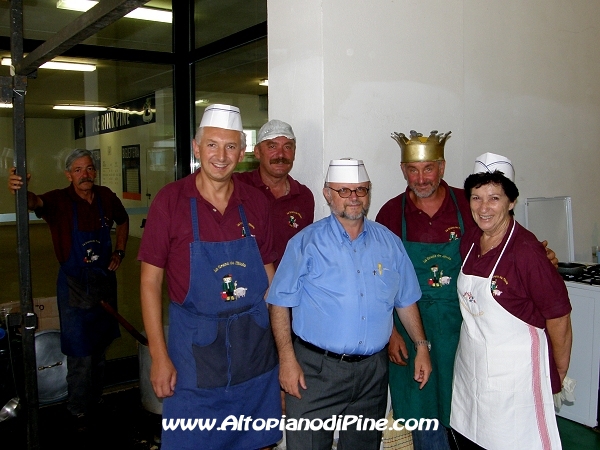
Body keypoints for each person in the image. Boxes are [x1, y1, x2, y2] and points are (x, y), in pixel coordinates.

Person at [376, 131, 558, 450]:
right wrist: (391, 332)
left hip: (462, 331)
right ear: (403, 170)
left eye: (429, 168)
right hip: (409, 329)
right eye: (413, 169)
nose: (421, 177)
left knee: (466, 412)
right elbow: (380, 280)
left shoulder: (469, 202)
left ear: (443, 167)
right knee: (422, 414)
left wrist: (542, 254)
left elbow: (504, 237)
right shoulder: (391, 212)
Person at [138, 104, 282, 450]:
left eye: (231, 146)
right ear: (196, 147)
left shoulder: (255, 204)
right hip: (194, 354)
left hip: (254, 351)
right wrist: (159, 356)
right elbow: (149, 283)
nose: (221, 155)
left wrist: (284, 353)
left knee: (255, 442)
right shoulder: (170, 202)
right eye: (213, 145)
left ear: (243, 153)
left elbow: (271, 281)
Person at [267, 158, 431, 450]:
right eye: (343, 190)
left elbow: (405, 301)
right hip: (315, 372)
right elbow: (279, 304)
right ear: (327, 194)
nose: (353, 197)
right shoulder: (306, 244)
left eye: (361, 190)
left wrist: (421, 347)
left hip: (372, 374)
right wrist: (287, 360)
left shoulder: (389, 243)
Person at [450, 153, 572, 449]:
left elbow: (559, 318)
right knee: (470, 438)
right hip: (472, 367)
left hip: (515, 378)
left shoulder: (527, 252)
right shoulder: (469, 241)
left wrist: (557, 373)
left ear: (511, 202)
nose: (484, 207)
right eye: (476, 198)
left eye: (494, 198)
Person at [8, 149, 129, 426]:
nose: (84, 174)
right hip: (74, 285)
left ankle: (96, 400)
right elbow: (33, 201)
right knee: (80, 353)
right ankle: (77, 409)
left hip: (104, 281)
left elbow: (123, 220)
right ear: (68, 174)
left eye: (88, 169)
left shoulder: (106, 197)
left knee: (100, 349)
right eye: (78, 170)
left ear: (94, 172)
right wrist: (20, 190)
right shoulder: (58, 200)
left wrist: (119, 252)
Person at [234, 119, 315, 268]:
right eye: (272, 146)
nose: (281, 154)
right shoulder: (238, 187)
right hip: (244, 284)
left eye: (287, 147)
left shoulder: (304, 196)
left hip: (289, 286)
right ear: (257, 152)